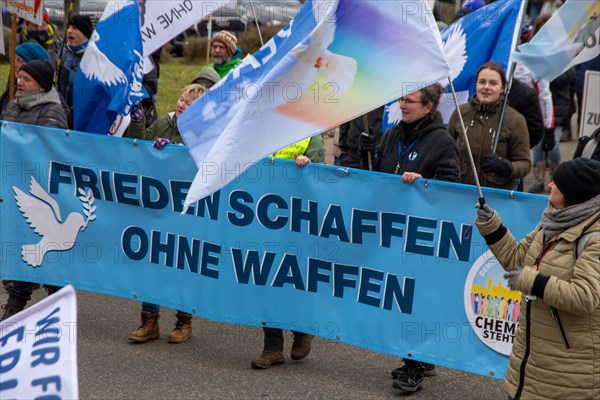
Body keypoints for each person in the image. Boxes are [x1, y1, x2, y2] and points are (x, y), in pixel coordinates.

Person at [474, 157, 600, 400]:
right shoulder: (552, 221)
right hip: (529, 367)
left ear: (573, 194)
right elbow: (518, 261)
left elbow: (585, 297)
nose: (549, 185)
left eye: (557, 183)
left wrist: (534, 282)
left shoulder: (594, 238)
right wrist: (492, 227)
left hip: (569, 378)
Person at [373, 84, 459, 393]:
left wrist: (426, 184)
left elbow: (452, 190)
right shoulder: (393, 134)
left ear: (428, 107)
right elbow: (376, 178)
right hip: (394, 230)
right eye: (401, 99)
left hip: (424, 237)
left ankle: (414, 366)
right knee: (401, 297)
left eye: (409, 101)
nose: (403, 105)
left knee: (418, 299)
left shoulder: (443, 142)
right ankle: (420, 357)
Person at [125, 84, 206, 343]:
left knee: (181, 263)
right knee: (153, 262)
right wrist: (137, 124)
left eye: (189, 104)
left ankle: (184, 321)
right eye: (181, 99)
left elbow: (206, 163)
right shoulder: (163, 122)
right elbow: (138, 146)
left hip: (185, 210)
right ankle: (149, 320)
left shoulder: (205, 133)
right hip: (158, 206)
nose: (182, 105)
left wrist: (177, 151)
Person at [0, 59, 68, 320]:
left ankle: (54, 303)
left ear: (40, 84)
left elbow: (46, 150)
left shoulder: (52, 111)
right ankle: (19, 309)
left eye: (26, 79)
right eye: (19, 77)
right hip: (11, 187)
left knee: (37, 255)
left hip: (36, 193)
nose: (19, 82)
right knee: (26, 253)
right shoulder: (13, 106)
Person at [250, 135, 325, 370]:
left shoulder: (311, 137)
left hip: (296, 219)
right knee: (266, 278)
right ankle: (272, 347)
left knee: (291, 278)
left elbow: (322, 181)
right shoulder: (261, 127)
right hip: (264, 214)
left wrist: (308, 168)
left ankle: (302, 330)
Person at [448, 62, 531, 190]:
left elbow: (525, 164)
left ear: (503, 88)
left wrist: (506, 167)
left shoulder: (515, 120)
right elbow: (446, 151)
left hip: (496, 196)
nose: (486, 87)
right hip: (460, 191)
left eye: (493, 83)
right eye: (482, 82)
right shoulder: (460, 113)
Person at [57, 14, 93, 128]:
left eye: (75, 28)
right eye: (68, 27)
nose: (69, 31)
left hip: (83, 117)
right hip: (61, 113)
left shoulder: (94, 57)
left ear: (85, 33)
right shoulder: (63, 52)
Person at [0, 42, 51, 114]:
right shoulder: (12, 88)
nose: (14, 65)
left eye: (19, 61)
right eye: (13, 59)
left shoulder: (48, 107)